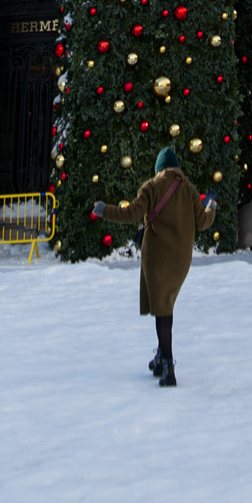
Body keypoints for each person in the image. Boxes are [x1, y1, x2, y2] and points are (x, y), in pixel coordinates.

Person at [92, 145, 217, 387]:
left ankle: (168, 366)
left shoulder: (151, 187)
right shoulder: (189, 189)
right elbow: (203, 223)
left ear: (159, 168)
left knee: (162, 310)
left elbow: (130, 214)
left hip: (157, 257)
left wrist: (104, 210)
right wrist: (210, 206)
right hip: (181, 260)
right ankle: (161, 358)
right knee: (165, 304)